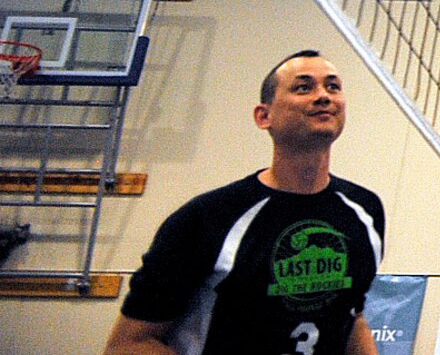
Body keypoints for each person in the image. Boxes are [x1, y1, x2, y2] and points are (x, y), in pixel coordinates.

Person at [104, 49, 385, 355]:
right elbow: (128, 345)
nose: (323, 96)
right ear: (264, 116)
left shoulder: (364, 210)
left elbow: (352, 317)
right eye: (303, 87)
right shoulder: (207, 218)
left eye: (332, 86)